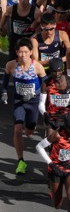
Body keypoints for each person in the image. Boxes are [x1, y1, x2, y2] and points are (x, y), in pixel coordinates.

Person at [2, 38, 47, 174]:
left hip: (32, 103)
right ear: (16, 52)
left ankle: (30, 129)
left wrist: (37, 96)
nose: (23, 55)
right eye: (20, 52)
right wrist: (4, 92)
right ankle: (21, 161)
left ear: (31, 52)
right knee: (17, 130)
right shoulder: (11, 65)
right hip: (19, 102)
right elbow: (5, 79)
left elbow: (45, 83)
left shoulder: (37, 66)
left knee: (29, 132)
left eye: (26, 52)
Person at [40, 58, 70, 134]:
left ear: (63, 70)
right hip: (52, 117)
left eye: (59, 71)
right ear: (50, 71)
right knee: (52, 138)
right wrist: (44, 113)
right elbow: (41, 103)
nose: (57, 74)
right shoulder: (46, 84)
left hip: (67, 117)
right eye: (54, 71)